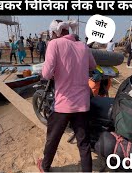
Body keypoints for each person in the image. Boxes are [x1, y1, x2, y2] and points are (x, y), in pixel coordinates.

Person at [38, 20, 96, 172]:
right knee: (83, 143)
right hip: (82, 103)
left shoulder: (54, 44)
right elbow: (93, 66)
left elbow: (46, 73)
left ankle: (45, 166)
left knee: (53, 138)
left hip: (64, 104)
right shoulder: (83, 45)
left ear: (54, 33)